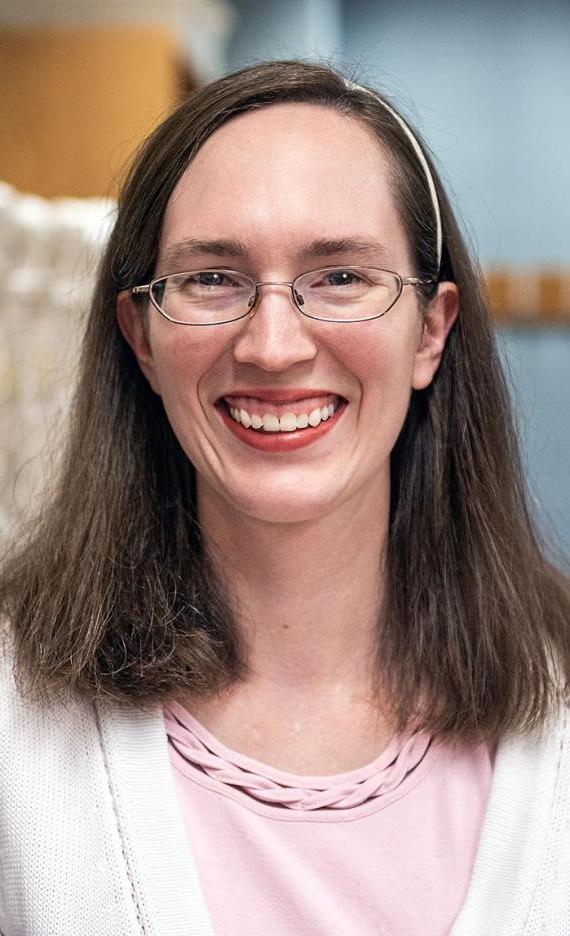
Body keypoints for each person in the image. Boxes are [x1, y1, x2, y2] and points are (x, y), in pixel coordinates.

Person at [1, 59, 569, 936]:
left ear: (431, 330)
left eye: (341, 276)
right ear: (141, 341)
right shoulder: (16, 723)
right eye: (212, 279)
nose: (272, 345)